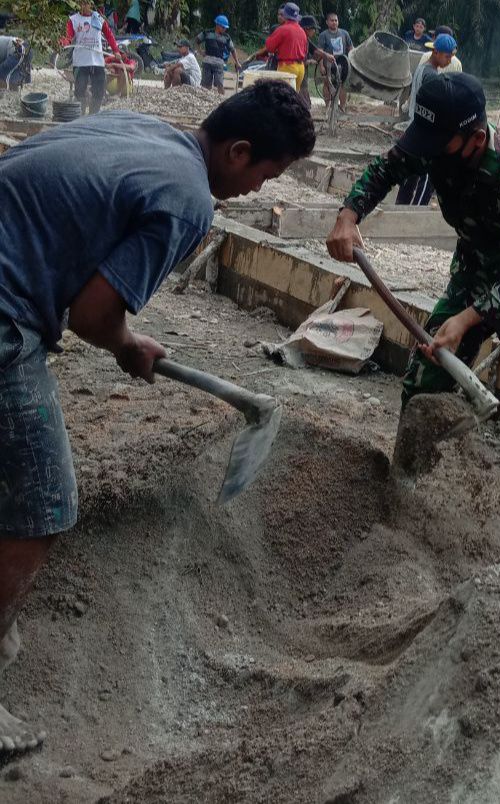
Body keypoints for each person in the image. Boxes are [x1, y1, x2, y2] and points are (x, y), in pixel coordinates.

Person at [0, 81, 315, 756]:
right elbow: (91, 315)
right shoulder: (188, 199)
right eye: (268, 172)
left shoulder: (135, 126)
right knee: (45, 506)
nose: (262, 189)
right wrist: (125, 343)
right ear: (238, 152)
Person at [326, 73, 500, 544]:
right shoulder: (436, 142)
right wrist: (348, 216)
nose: (426, 152)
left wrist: (469, 319)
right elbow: (388, 168)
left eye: (439, 143)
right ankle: (402, 495)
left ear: (475, 138)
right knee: (423, 382)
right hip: (475, 271)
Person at [396, 33, 456, 206]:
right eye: (447, 56)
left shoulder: (423, 68)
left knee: (411, 172)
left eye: (451, 57)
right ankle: (418, 210)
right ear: (436, 52)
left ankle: (401, 207)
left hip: (414, 128)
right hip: (425, 133)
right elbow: (434, 109)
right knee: (428, 176)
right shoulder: (431, 76)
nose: (450, 61)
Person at [61, 0, 121, 115]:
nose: (84, 6)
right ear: (78, 4)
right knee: (80, 92)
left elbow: (109, 35)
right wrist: (63, 43)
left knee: (98, 91)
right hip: (81, 62)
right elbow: (68, 37)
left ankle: (93, 116)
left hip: (97, 61)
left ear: (90, 4)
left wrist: (116, 50)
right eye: (81, 3)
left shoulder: (98, 18)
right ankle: (81, 115)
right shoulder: (73, 20)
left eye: (86, 3)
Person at [254, 2, 308, 91]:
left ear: (285, 15)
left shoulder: (282, 29)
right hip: (300, 68)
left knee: (283, 96)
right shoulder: (302, 31)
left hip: (288, 67)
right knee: (293, 97)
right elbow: (305, 50)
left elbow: (270, 47)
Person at [317, 10, 353, 113]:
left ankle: (342, 107)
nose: (334, 22)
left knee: (342, 85)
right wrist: (321, 66)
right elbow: (319, 51)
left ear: (338, 22)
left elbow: (350, 47)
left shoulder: (344, 33)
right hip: (328, 64)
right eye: (332, 20)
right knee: (327, 84)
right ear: (327, 22)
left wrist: (351, 60)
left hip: (343, 64)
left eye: (336, 20)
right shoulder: (323, 35)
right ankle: (327, 106)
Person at [196, 14, 241, 95]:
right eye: (223, 27)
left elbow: (232, 50)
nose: (224, 29)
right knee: (205, 85)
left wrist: (237, 62)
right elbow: (197, 40)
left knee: (219, 84)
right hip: (207, 62)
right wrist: (200, 51)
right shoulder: (207, 33)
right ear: (217, 25)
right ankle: (204, 100)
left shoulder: (226, 37)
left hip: (219, 63)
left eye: (225, 28)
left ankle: (222, 100)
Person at [298, 15, 321, 105]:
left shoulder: (306, 39)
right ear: (307, 29)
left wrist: (325, 56)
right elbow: (296, 58)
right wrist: (309, 61)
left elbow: (315, 50)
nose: (314, 31)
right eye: (313, 29)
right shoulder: (300, 39)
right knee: (301, 93)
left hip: (303, 71)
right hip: (297, 69)